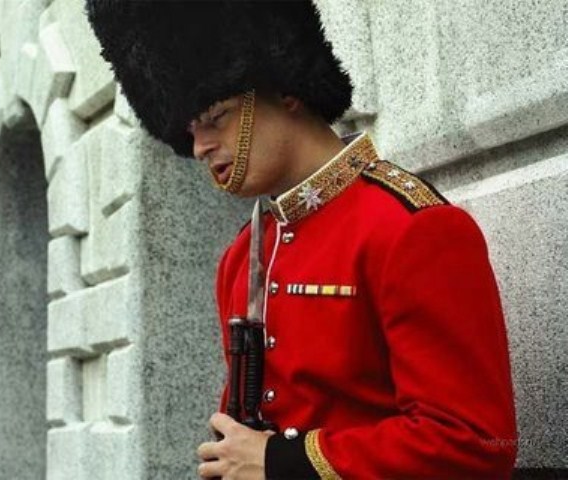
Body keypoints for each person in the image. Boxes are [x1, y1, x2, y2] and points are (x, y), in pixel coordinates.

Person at [86, 1, 518, 479]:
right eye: (190, 130)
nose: (199, 146)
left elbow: (475, 442)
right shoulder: (241, 257)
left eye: (215, 116)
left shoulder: (412, 229)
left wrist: (280, 461)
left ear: (286, 92)